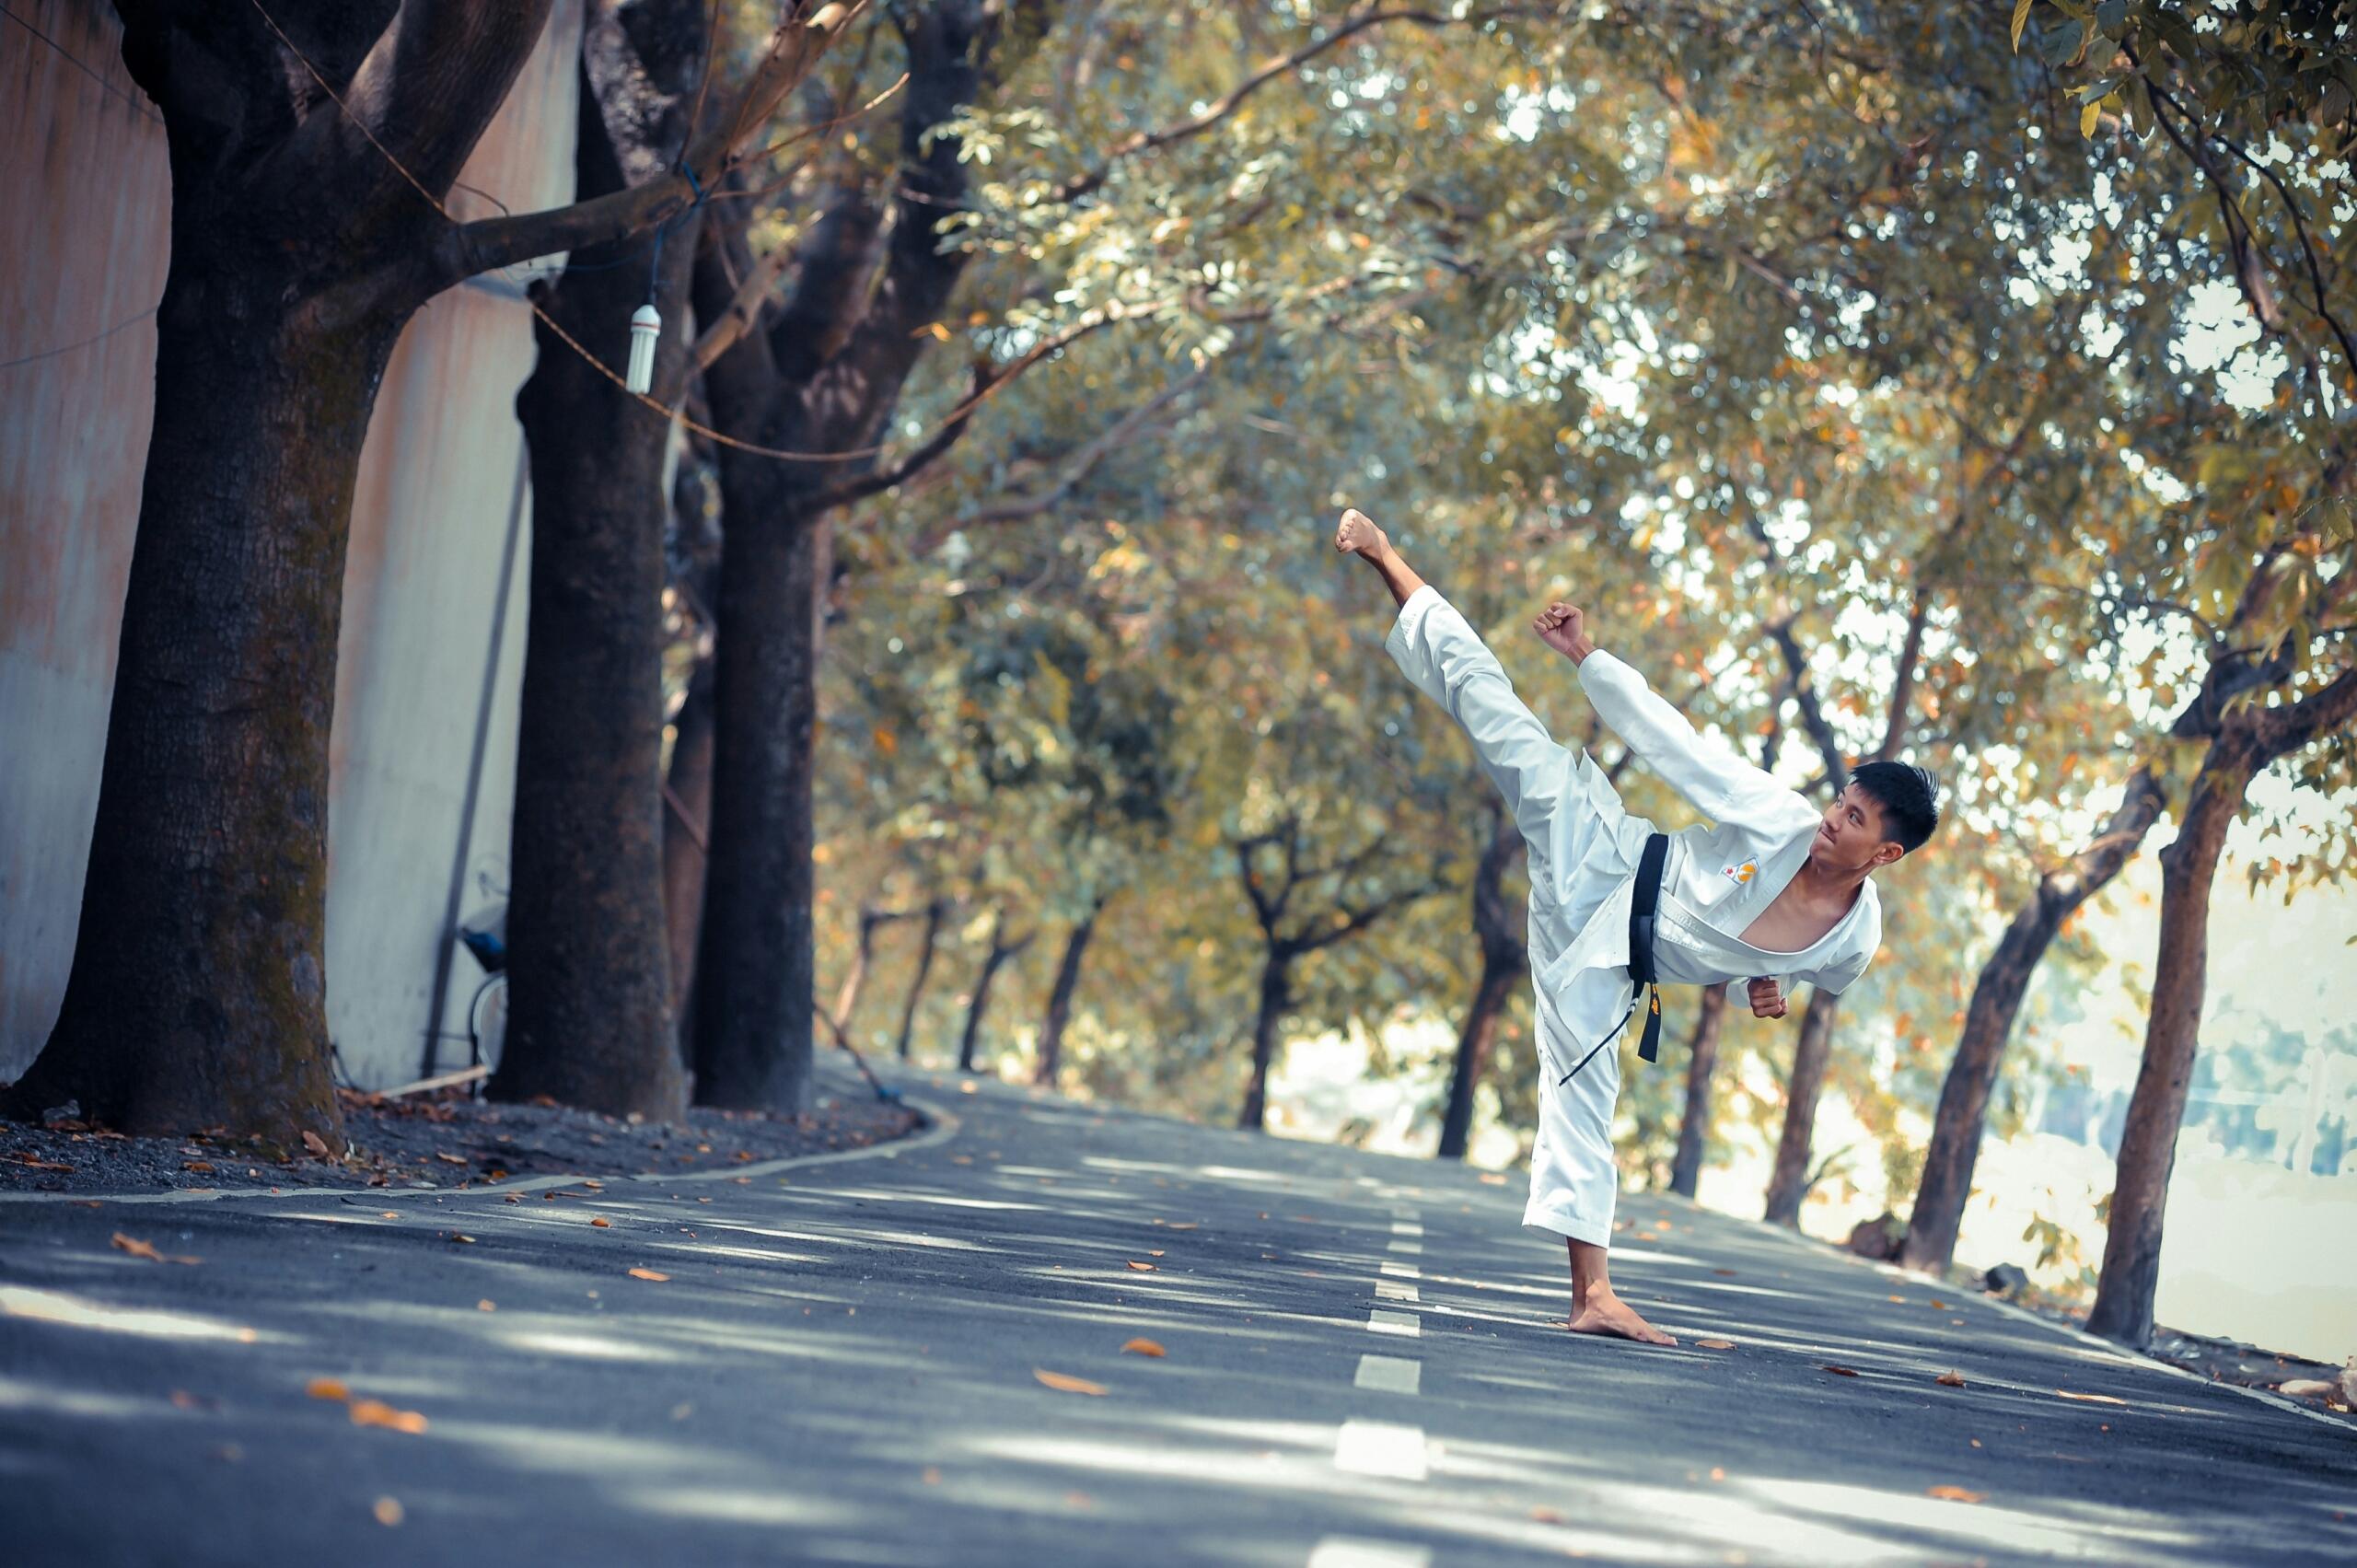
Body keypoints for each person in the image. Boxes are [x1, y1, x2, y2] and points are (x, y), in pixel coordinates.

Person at [1333, 507, 1938, 1345]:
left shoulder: (1852, 943)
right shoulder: (1781, 817)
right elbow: (1680, 747)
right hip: (1605, 850)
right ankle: (1388, 556)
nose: (1836, 819)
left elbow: (1801, 972)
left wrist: (1775, 983)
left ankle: (1594, 1296)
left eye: (1859, 819)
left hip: (1618, 959)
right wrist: (1587, 656)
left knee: (1583, 1088)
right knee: (1496, 714)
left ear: (1889, 852)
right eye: (1843, 801)